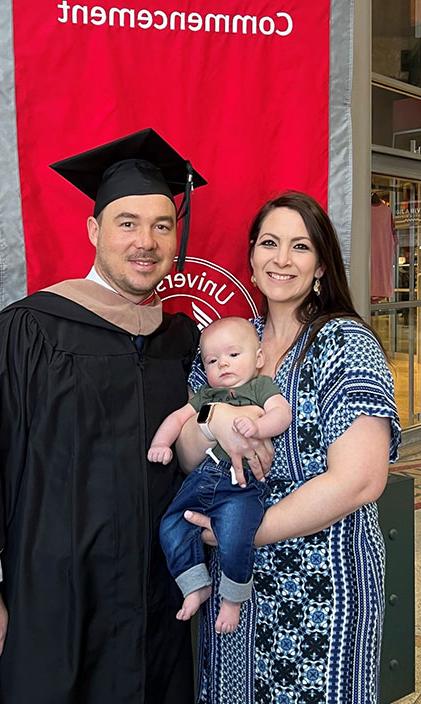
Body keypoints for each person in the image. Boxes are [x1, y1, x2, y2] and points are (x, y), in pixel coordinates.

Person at [0, 128, 213, 704]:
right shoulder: (32, 329)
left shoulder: (181, 340)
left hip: (157, 600)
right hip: (55, 599)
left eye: (162, 225)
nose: (145, 241)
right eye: (127, 223)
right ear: (94, 230)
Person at [178, 191, 400, 704]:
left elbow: (361, 478)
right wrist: (217, 419)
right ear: (251, 258)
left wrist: (247, 534)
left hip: (324, 580)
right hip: (238, 582)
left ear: (321, 264)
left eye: (300, 246)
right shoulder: (232, 341)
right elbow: (190, 453)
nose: (282, 259)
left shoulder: (344, 341)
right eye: (270, 243)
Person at [148, 316, 291, 634]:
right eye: (213, 360)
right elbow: (177, 417)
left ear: (257, 359)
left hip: (240, 485)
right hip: (202, 480)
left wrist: (258, 426)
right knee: (170, 524)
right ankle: (194, 582)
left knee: (236, 536)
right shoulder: (205, 396)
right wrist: (161, 443)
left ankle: (232, 599)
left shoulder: (259, 387)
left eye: (233, 355)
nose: (223, 365)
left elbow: (282, 413)